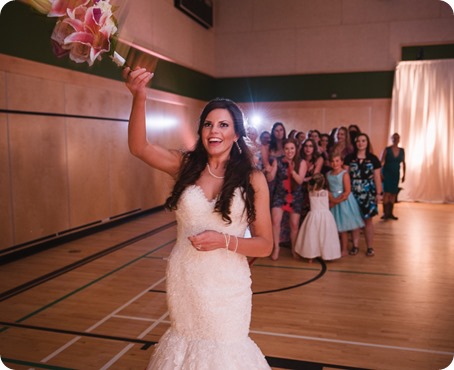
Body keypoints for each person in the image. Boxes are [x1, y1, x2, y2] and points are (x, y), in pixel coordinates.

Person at [123, 67, 273, 369]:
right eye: (208, 124)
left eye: (223, 125)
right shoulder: (185, 166)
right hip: (186, 278)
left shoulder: (253, 178)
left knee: (224, 349)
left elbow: (265, 244)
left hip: (227, 284)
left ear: (236, 133)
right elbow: (139, 147)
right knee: (185, 341)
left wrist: (224, 241)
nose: (214, 131)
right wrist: (139, 97)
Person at [344, 133, 383, 257]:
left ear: (367, 142)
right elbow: (345, 176)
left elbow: (377, 177)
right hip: (353, 192)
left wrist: (379, 193)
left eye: (363, 140)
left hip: (368, 193)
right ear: (355, 143)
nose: (361, 143)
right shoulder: (349, 158)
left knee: (368, 221)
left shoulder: (373, 158)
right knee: (355, 220)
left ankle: (370, 247)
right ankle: (355, 246)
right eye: (358, 141)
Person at [266, 138, 305, 260]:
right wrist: (270, 172)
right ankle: (276, 248)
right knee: (275, 221)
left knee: (294, 225)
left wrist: (292, 170)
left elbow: (299, 181)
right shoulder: (277, 161)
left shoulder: (301, 162)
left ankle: (294, 248)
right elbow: (270, 178)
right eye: (287, 148)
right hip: (280, 195)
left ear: (296, 149)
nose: (289, 151)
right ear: (284, 149)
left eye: (292, 148)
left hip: (295, 196)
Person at [294, 173, 341, 262]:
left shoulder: (311, 193)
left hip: (313, 216)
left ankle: (310, 256)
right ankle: (327, 255)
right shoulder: (327, 193)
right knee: (326, 235)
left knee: (312, 236)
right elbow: (335, 201)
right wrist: (342, 197)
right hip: (325, 217)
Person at [326, 153, 364, 256]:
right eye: (333, 161)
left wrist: (335, 201)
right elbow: (329, 189)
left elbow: (347, 191)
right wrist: (331, 199)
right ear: (330, 163)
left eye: (337, 161)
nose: (335, 163)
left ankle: (344, 249)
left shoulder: (344, 174)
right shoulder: (328, 174)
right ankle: (334, 248)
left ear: (342, 162)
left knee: (343, 228)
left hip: (343, 202)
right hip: (333, 199)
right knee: (334, 228)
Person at [380, 133, 406, 220]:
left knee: (393, 193)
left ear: (399, 139)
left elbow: (403, 163)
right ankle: (385, 213)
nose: (395, 139)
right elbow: (381, 162)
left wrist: (404, 175)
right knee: (386, 193)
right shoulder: (387, 149)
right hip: (387, 173)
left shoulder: (402, 150)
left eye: (397, 138)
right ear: (391, 139)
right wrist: (380, 173)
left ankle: (390, 213)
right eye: (394, 138)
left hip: (396, 173)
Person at [299, 138, 324, 220]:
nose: (308, 148)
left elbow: (315, 176)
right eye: (306, 146)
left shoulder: (319, 159)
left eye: (310, 146)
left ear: (314, 148)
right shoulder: (299, 159)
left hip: (312, 188)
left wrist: (302, 179)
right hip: (299, 189)